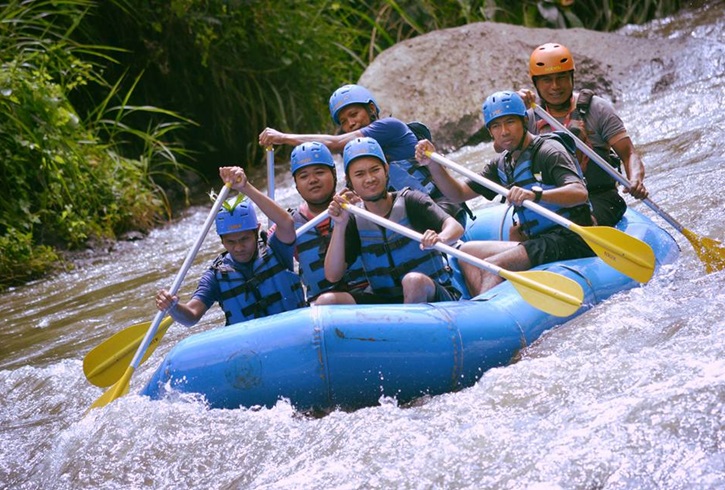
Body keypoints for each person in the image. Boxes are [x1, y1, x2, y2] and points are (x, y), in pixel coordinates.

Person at [415, 90, 594, 296]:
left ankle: (485, 313)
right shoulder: (503, 164)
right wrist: (433, 163)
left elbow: (579, 192)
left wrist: (535, 195)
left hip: (570, 238)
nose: (504, 132)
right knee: (466, 253)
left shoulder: (549, 151)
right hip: (537, 240)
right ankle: (483, 304)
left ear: (524, 121)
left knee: (493, 265)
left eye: (510, 122)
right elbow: (458, 194)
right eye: (496, 126)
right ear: (490, 132)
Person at [258, 83, 467, 226]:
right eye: (343, 121)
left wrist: (284, 137)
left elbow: (335, 143)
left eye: (354, 114)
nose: (350, 123)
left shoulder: (389, 127)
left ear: (371, 109)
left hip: (441, 206)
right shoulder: (356, 154)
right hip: (408, 215)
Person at [320, 136, 464, 305]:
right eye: (360, 174)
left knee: (413, 281)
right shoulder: (352, 219)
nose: (370, 179)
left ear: (386, 170)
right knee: (327, 300)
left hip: (434, 296)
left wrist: (441, 238)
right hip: (387, 304)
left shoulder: (411, 201)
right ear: (349, 181)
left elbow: (455, 227)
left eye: (375, 170)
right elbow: (332, 275)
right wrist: (339, 224)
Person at [155, 166, 305, 326]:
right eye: (231, 242)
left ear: (257, 230)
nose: (239, 247)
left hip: (291, 331)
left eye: (244, 239)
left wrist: (245, 188)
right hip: (251, 346)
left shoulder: (276, 249)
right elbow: (191, 317)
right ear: (221, 241)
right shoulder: (215, 276)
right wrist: (173, 307)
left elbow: (287, 223)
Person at [519, 42, 648, 227]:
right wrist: (513, 108)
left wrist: (635, 179)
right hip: (550, 198)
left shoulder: (598, 109)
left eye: (561, 77)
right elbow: (501, 145)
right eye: (547, 80)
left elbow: (629, 154)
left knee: (579, 221)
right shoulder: (529, 117)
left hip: (599, 197)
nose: (555, 86)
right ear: (536, 84)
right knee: (520, 230)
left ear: (572, 77)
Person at [287, 141, 367, 305]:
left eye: (319, 172)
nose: (313, 180)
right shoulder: (288, 226)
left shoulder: (359, 206)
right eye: (304, 176)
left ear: (335, 175)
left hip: (368, 298)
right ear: (296, 185)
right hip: (322, 311)